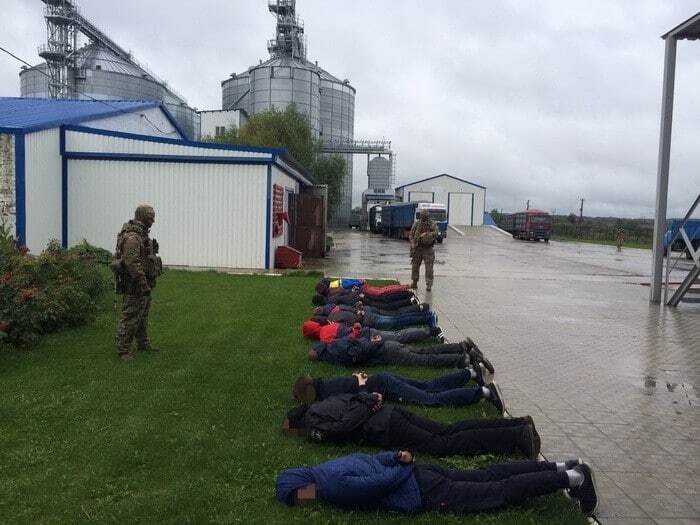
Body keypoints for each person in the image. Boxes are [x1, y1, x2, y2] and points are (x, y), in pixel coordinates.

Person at [275, 451, 598, 516]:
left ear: (300, 485)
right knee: (488, 475)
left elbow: (379, 484)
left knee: (494, 492)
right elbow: (375, 460)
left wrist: (402, 469)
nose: (304, 500)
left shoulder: (332, 487)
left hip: (420, 489)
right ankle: (561, 465)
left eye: (298, 496)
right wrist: (399, 457)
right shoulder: (328, 466)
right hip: (422, 474)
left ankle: (572, 478)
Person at [282, 392, 536, 457]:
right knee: (447, 430)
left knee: (443, 444)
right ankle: (517, 426)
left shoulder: (313, 423)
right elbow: (355, 400)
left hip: (387, 428)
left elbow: (341, 429)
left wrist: (368, 408)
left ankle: (517, 436)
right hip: (392, 415)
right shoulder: (323, 403)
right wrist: (371, 402)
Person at [292, 368, 506, 410]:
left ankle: (485, 393)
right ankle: (470, 373)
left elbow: (361, 397)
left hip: (385, 386)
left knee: (430, 398)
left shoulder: (328, 393)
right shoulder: (325, 384)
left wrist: (361, 383)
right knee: (427, 386)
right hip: (383, 379)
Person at [112, 204, 162, 361]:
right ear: (142, 217)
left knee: (142, 315)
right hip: (135, 284)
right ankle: (123, 349)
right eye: (150, 217)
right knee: (131, 316)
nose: (153, 220)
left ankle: (143, 343)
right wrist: (142, 284)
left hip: (143, 282)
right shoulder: (133, 237)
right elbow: (132, 263)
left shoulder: (141, 235)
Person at [309, 335, 493, 371]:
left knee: (425, 360)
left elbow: (359, 351)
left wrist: (357, 360)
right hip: (388, 346)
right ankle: (462, 346)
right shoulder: (333, 344)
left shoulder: (335, 352)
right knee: (426, 351)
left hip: (387, 353)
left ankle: (465, 359)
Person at [302, 320, 444, 345]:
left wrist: (355, 332)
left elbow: (345, 341)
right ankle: (428, 331)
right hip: (367, 331)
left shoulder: (324, 338)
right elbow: (345, 328)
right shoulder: (328, 326)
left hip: (367, 337)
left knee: (398, 338)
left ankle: (430, 332)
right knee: (397, 335)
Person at [307, 309, 438, 332]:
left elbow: (351, 329)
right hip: (368, 316)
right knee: (398, 319)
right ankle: (426, 315)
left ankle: (427, 318)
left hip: (369, 322)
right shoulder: (333, 314)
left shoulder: (333, 323)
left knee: (398, 322)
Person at [410, 209, 438, 291]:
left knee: (429, 268)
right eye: (422, 216)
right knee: (415, 266)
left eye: (425, 216)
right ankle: (414, 282)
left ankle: (429, 284)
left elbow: (436, 233)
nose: (423, 218)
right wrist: (412, 243)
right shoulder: (417, 224)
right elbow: (411, 234)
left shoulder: (432, 224)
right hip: (417, 248)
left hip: (428, 249)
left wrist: (427, 234)